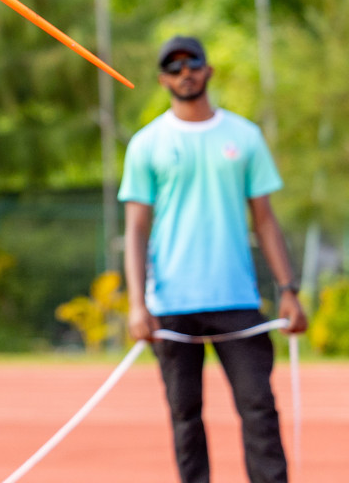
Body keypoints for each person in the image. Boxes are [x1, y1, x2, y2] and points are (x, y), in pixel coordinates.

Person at [120, 35, 308, 483]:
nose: (185, 72)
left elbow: (264, 219)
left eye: (193, 63)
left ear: (208, 71)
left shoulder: (244, 136)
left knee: (259, 407)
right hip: (170, 304)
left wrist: (288, 290)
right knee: (185, 417)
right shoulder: (147, 143)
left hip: (236, 298)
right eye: (174, 66)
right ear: (163, 78)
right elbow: (136, 229)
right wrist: (136, 304)